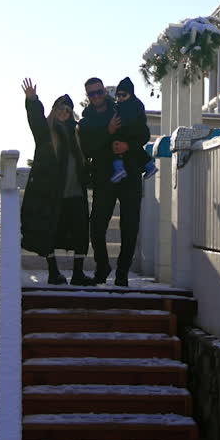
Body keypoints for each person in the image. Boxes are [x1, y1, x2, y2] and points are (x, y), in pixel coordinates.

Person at [20, 78, 95, 286]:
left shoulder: (77, 134)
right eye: (61, 108)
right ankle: (54, 273)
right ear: (55, 110)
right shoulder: (45, 133)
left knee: (81, 234)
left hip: (76, 194)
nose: (64, 112)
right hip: (53, 195)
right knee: (50, 232)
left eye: (68, 110)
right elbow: (35, 119)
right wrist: (32, 100)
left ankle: (78, 274)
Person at [78, 75, 150, 288]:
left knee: (130, 226)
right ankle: (102, 268)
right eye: (92, 93)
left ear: (105, 92)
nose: (97, 96)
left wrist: (128, 146)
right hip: (104, 178)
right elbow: (88, 148)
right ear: (88, 96)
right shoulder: (86, 121)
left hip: (130, 176)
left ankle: (122, 274)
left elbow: (143, 133)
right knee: (97, 226)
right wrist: (107, 133)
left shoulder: (122, 106)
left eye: (100, 91)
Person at [110, 76, 158, 184]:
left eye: (124, 95)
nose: (121, 98)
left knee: (119, 147)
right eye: (118, 95)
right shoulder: (121, 106)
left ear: (130, 94)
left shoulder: (132, 106)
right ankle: (148, 165)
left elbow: (143, 134)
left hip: (129, 135)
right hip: (129, 136)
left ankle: (120, 169)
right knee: (134, 149)